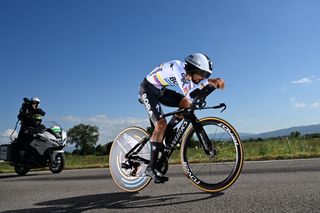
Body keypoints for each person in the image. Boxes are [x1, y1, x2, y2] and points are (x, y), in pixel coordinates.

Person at [139, 53, 225, 183]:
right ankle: (150, 168)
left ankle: (168, 132)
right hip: (147, 89)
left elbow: (194, 96)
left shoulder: (190, 75)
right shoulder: (178, 68)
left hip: (161, 90)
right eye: (202, 74)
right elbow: (190, 94)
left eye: (206, 75)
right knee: (160, 124)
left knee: (186, 105)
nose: (203, 77)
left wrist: (211, 85)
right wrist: (209, 82)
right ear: (193, 68)